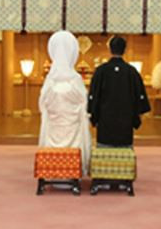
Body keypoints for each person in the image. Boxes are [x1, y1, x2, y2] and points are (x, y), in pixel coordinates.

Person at [38, 30, 92, 174]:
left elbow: (42, 104)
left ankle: (52, 168)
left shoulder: (50, 80)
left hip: (53, 128)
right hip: (74, 130)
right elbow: (85, 103)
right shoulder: (75, 79)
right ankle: (73, 170)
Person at [88, 35, 150, 147]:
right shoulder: (132, 72)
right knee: (124, 153)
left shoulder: (101, 71)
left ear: (110, 49)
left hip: (105, 123)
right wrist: (136, 118)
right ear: (124, 50)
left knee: (104, 153)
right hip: (125, 124)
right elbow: (140, 97)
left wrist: (94, 117)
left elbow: (94, 95)